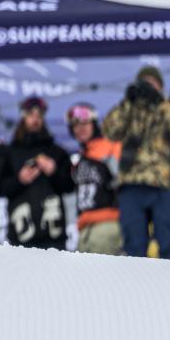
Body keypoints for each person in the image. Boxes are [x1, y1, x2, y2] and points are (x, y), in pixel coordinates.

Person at [102, 65, 170, 260]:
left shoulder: (166, 108)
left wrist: (160, 101)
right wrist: (127, 102)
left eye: (153, 84)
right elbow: (109, 130)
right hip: (131, 186)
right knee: (133, 247)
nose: (148, 87)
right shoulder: (129, 109)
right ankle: (136, 289)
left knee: (169, 244)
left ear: (160, 87)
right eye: (144, 83)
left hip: (162, 185)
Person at [0, 96, 74, 250]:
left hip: (54, 236)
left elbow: (70, 186)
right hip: (21, 236)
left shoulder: (57, 152)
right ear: (23, 117)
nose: (35, 119)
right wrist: (20, 180)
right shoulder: (9, 153)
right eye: (31, 115)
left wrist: (53, 171)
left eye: (39, 116)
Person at [67, 102, 123, 255]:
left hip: (108, 225)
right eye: (75, 126)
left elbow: (126, 183)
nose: (80, 128)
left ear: (94, 124)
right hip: (85, 230)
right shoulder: (80, 158)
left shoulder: (111, 147)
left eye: (85, 123)